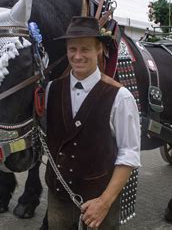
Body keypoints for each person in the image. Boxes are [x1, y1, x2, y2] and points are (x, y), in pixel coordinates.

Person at [45, 16, 141, 229]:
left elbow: (129, 154)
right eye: (72, 49)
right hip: (57, 200)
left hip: (98, 204)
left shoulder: (120, 96)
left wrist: (105, 202)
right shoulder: (51, 89)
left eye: (85, 49)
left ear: (99, 49)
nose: (77, 56)